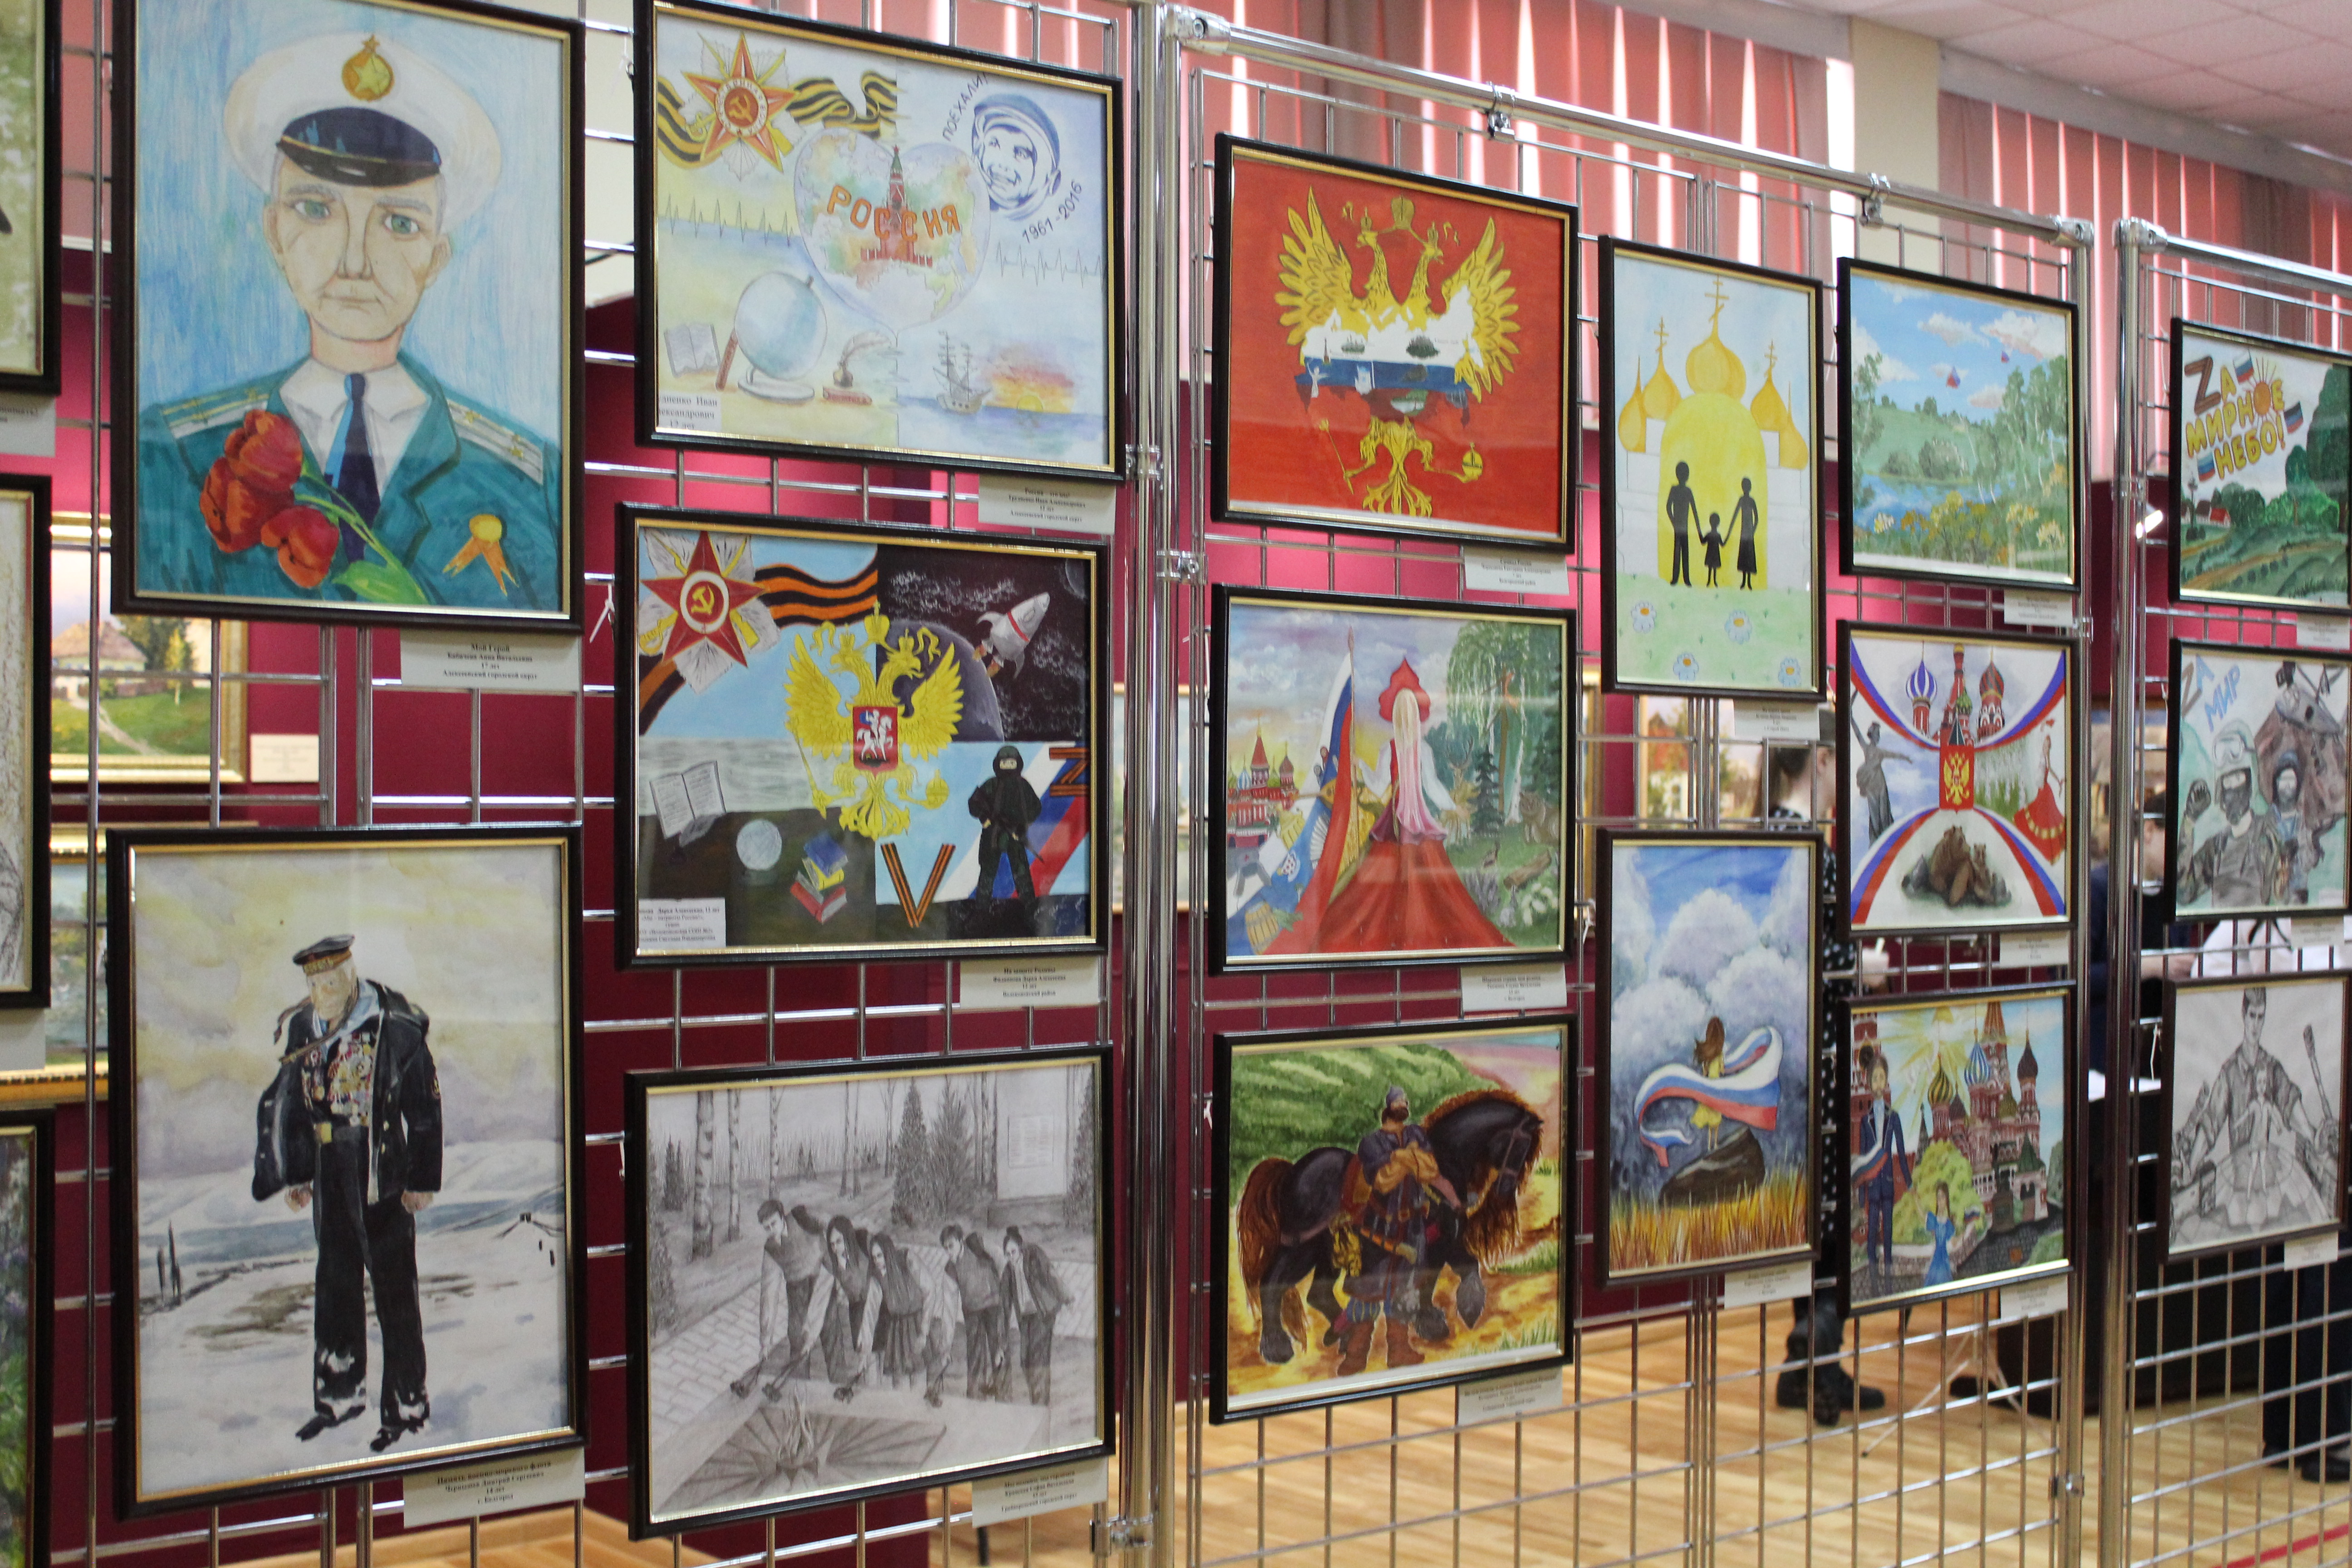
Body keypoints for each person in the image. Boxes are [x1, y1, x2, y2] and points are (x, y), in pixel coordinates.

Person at [136, 33, 562, 612]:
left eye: (400, 224)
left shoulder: (527, 485)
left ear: (437, 257)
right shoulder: (174, 457)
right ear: (274, 232)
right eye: (316, 210)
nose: (356, 261)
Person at [251, 934, 441, 1453]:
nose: (321, 993)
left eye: (330, 982)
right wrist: (297, 1174)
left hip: (380, 1169)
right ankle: (338, 1398)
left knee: (394, 1290)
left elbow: (424, 1105)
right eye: (314, 983)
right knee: (334, 1284)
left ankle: (406, 1407)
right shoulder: (303, 1026)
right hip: (328, 1164)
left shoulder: (394, 1024)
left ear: (349, 977)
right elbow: (293, 1103)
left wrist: (422, 1180)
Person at [1765, 741, 1889, 1423]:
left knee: (1805, 1214)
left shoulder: (1764, 840)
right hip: (1827, 1061)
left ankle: (1803, 1362)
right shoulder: (1820, 854)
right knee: (1835, 1219)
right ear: (1819, 759)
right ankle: (1820, 1360)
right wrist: (1864, 967)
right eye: (1839, 760)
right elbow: (1824, 961)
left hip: (1781, 1064)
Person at [1336, 1085, 1457, 1377]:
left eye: (1405, 1101)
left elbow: (1430, 1170)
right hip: (1380, 1228)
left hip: (1413, 1229)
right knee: (1366, 1293)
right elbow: (1383, 1181)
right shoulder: (1371, 1143)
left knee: (1405, 1292)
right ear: (1388, 1108)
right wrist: (1410, 1157)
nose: (1403, 1105)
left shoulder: (1417, 1134)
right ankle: (1356, 1355)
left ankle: (1399, 1352)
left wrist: (1401, 1158)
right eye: (1398, 1102)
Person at [733, 1200, 825, 1399]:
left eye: (774, 1224)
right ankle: (799, 1389)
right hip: (797, 1288)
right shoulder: (771, 1250)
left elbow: (827, 1232)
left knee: (828, 1330)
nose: (772, 1231)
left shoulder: (801, 1219)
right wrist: (765, 1341)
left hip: (822, 1279)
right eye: (767, 1228)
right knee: (797, 1336)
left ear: (783, 1218)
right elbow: (769, 1292)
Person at [2178, 753, 2281, 909]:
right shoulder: (2216, 847)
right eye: (2227, 781)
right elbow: (2184, 892)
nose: (2233, 788)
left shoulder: (2268, 837)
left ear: (2250, 784)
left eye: (2238, 778)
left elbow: (2280, 899)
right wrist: (2189, 820)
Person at [1852, 1046, 1911, 1287]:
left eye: (1882, 1078)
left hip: (1887, 1183)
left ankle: (1888, 1277)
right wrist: (1861, 1196)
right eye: (1874, 1078)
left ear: (1886, 1082)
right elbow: (1863, 1158)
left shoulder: (1893, 1117)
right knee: (1872, 1232)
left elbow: (1901, 1152)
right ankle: (1874, 1277)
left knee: (1888, 1231)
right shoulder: (1865, 1121)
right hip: (1872, 1186)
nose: (1878, 1083)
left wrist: (1909, 1183)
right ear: (1869, 1083)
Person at [968, 743, 1041, 913]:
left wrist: (1022, 827)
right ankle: (981, 909)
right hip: (993, 835)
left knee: (1021, 870)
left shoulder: (1023, 785)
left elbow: (1035, 808)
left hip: (1015, 835)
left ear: (1018, 764)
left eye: (1011, 763)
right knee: (988, 870)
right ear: (998, 764)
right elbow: (974, 803)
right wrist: (984, 817)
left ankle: (1030, 907)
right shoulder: (991, 784)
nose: (1008, 767)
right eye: (1005, 763)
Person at [813, 1215, 879, 1401]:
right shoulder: (832, 1261)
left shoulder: (864, 1243)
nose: (836, 1248)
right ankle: (872, 1396)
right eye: (832, 1244)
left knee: (879, 1354)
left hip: (877, 1304)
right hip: (857, 1310)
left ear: (848, 1236)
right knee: (865, 1357)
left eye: (839, 1241)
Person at [1000, 1226, 1067, 1405]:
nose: (1011, 1257)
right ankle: (1037, 1398)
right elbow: (1004, 1306)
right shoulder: (1008, 1273)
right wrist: (1002, 1338)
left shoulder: (1033, 1257)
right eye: (1007, 1254)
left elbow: (1051, 1274)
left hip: (1042, 1314)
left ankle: (1040, 1403)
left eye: (1013, 1252)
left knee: (1039, 1360)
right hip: (1025, 1319)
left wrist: (1066, 1297)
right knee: (1025, 1360)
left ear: (1020, 1249)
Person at [941, 1223, 1006, 1400]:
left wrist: (1003, 1287)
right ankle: (976, 1398)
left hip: (993, 1305)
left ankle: (1003, 1397)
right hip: (971, 1312)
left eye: (951, 1246)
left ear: (961, 1241)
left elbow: (1000, 1258)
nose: (949, 1252)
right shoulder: (950, 1269)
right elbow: (949, 1309)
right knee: (975, 1356)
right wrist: (946, 1347)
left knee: (999, 1351)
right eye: (946, 1248)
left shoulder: (977, 1244)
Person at [1850, 719, 1911, 844]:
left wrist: (1906, 758)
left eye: (1879, 735)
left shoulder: (1880, 752)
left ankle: (1886, 840)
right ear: (1872, 735)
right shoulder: (1867, 748)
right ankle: (1876, 842)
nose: (1878, 737)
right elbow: (1858, 734)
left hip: (1881, 785)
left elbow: (1894, 755)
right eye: (1877, 734)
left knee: (1884, 815)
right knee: (1874, 816)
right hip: (1871, 786)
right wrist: (1851, 718)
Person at [1664, 461, 1695, 586]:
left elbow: (1694, 511)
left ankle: (1686, 579)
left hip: (1684, 528)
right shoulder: (1675, 490)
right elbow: (1668, 507)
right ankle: (1676, 578)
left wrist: (1698, 530)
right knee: (1678, 552)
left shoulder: (1688, 491)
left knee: (1684, 552)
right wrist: (1674, 522)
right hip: (1679, 528)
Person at [1921, 1184, 1958, 1289]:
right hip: (1936, 1257)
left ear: (1947, 1199)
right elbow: (1923, 1216)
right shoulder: (1934, 1220)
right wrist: (1915, 1198)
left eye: (1943, 1197)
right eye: (1938, 1197)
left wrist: (1962, 1235)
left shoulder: (1949, 1223)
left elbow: (1954, 1242)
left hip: (1944, 1258)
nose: (1940, 1200)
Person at [1732, 476, 1760, 589]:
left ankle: (1749, 582)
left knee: (1749, 556)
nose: (1745, 489)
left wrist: (1753, 531)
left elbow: (1757, 518)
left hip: (1749, 534)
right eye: (1744, 487)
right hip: (1744, 533)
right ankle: (1744, 581)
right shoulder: (1742, 500)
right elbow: (1735, 515)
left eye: (1747, 487)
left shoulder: (1752, 501)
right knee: (1744, 556)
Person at [1700, 512, 1727, 587]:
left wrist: (1699, 532)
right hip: (1713, 553)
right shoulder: (1716, 535)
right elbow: (1722, 544)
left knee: (1712, 568)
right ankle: (1711, 581)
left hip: (1713, 553)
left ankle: (1713, 581)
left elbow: (1703, 541)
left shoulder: (1712, 535)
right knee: (1712, 568)